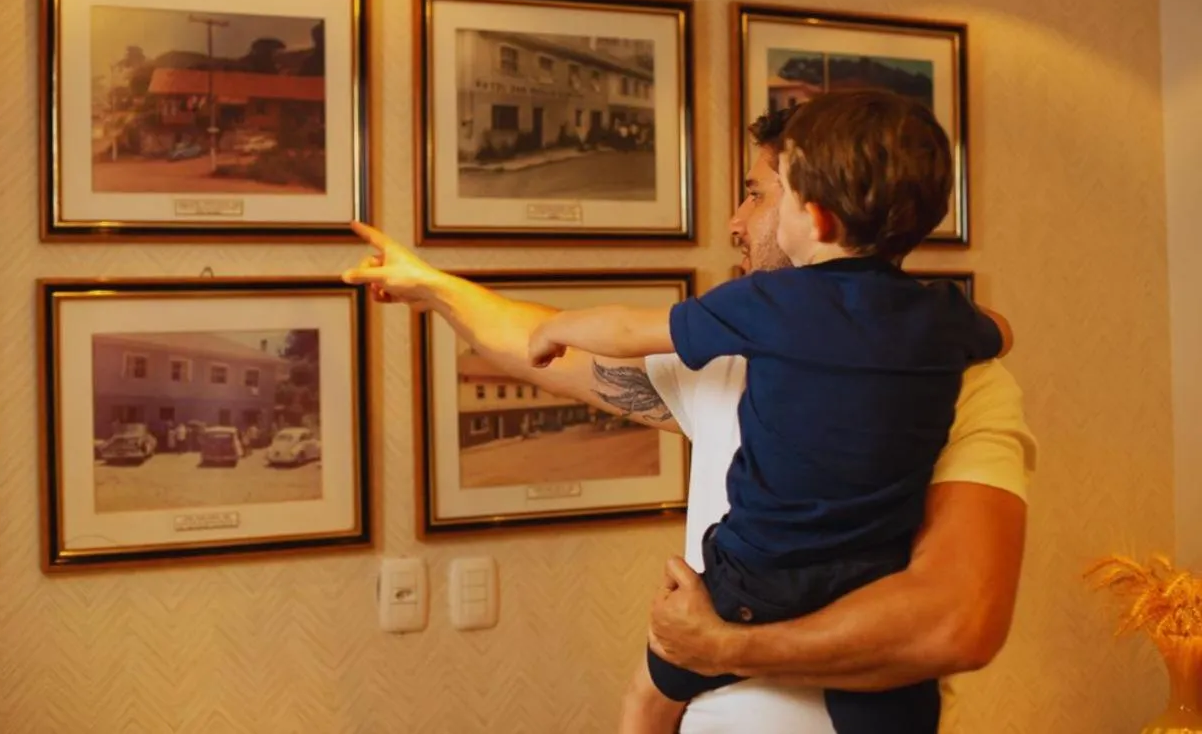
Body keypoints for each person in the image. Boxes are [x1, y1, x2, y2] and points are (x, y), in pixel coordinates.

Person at [341, 109, 1035, 734]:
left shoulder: (969, 388)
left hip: (749, 630)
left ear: (815, 213)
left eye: (760, 193)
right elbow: (548, 354)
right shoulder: (907, 336)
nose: (734, 220)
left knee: (649, 691)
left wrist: (721, 647)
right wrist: (429, 285)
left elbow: (960, 625)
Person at [523, 91, 1011, 733]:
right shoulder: (945, 318)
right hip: (874, 581)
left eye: (773, 193)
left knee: (648, 693)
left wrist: (557, 327)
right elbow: (998, 332)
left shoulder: (772, 302)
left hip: (757, 575)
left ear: (815, 215)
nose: (747, 215)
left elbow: (631, 330)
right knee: (896, 706)